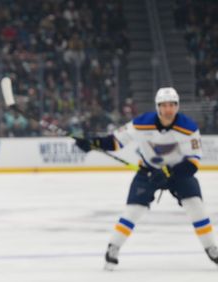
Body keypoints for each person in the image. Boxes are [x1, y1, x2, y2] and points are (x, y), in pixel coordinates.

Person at [74, 87, 218, 269]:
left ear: (177, 106)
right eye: (164, 106)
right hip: (148, 172)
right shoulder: (141, 123)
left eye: (172, 105)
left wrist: (167, 173)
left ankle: (211, 248)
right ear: (158, 107)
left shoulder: (188, 128)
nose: (168, 110)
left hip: (179, 173)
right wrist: (92, 143)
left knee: (196, 207)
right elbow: (115, 141)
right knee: (133, 211)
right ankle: (113, 247)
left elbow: (193, 164)